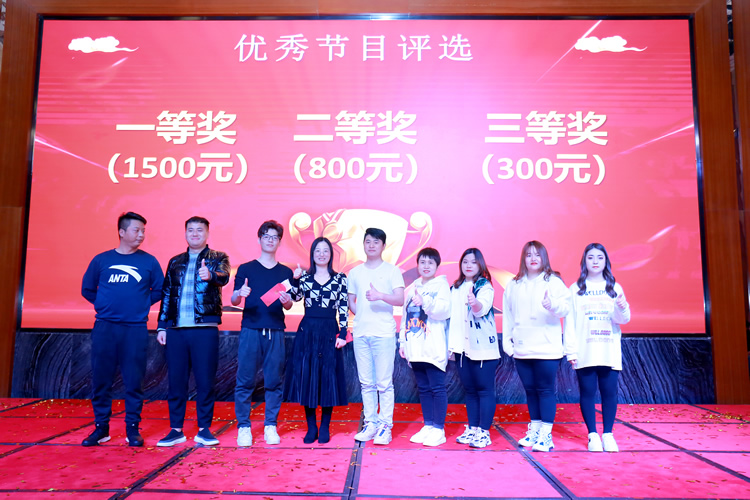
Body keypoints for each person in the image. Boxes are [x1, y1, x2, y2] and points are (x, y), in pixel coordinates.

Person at [80, 212, 164, 447]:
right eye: (137, 230)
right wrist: (104, 305)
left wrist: (141, 304)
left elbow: (160, 290)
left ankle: (132, 429)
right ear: (122, 232)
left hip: (134, 329)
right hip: (105, 328)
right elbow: (87, 289)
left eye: (143, 231)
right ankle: (101, 428)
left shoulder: (149, 262)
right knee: (101, 380)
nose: (141, 235)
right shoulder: (101, 260)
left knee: (134, 380)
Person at [156, 216, 230, 447]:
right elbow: (167, 294)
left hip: (204, 329)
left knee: (205, 381)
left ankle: (204, 429)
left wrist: (212, 276)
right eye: (191, 230)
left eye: (199, 230)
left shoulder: (218, 257)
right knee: (176, 381)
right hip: (176, 330)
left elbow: (225, 277)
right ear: (185, 233)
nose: (195, 234)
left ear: (207, 234)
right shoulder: (175, 261)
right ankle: (176, 430)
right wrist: (162, 325)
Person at [502, 240, 572, 452]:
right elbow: (508, 314)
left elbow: (567, 308)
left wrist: (553, 305)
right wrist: (507, 342)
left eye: (537, 254)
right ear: (523, 258)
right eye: (529, 254)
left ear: (544, 258)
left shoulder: (553, 281)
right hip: (522, 348)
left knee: (545, 390)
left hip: (547, 349)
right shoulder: (514, 284)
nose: (533, 258)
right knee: (530, 391)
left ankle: (545, 435)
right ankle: (535, 430)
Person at [232, 220, 294, 446]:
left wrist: (286, 301)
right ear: (259, 239)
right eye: (266, 236)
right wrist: (240, 293)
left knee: (274, 380)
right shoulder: (246, 269)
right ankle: (243, 427)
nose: (270, 240)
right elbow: (234, 300)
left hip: (275, 329)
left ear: (279, 242)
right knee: (245, 380)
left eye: (274, 237)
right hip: (251, 328)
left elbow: (289, 305)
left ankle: (270, 425)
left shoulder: (285, 272)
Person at [565, 243, 631, 452]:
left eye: (600, 257)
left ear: (606, 261)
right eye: (591, 257)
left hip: (608, 349)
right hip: (585, 349)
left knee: (609, 392)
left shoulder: (614, 288)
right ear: (584, 261)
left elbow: (623, 319)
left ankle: (608, 434)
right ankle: (592, 434)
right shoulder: (575, 289)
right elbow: (570, 322)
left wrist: (622, 307)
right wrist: (571, 350)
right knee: (587, 392)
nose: (595, 261)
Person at [284, 237, 349, 444]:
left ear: (331, 254)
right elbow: (295, 297)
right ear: (312, 254)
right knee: (308, 376)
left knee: (328, 377)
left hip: (330, 329)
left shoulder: (340, 278)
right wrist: (295, 280)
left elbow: (343, 307)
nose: (321, 254)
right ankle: (311, 427)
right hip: (308, 330)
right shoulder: (304, 277)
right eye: (317, 251)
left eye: (325, 250)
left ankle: (325, 426)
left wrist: (343, 333)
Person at [348, 228, 405, 445]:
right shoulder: (355, 273)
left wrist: (380, 295)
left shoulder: (392, 271)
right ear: (363, 244)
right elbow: (351, 301)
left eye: (376, 242)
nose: (371, 245)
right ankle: (370, 423)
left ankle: (385, 427)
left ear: (383, 246)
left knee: (384, 383)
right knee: (366, 383)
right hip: (361, 333)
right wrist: (362, 313)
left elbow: (400, 299)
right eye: (368, 241)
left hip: (383, 334)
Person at [447, 248, 499, 448]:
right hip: (461, 349)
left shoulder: (484, 286)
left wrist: (474, 303)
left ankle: (484, 432)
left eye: (473, 262)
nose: (468, 265)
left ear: (480, 265)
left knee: (484, 390)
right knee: (469, 391)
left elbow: (481, 309)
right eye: (465, 262)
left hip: (483, 348)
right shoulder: (455, 287)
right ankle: (473, 428)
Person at [398, 247, 451, 447]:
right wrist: (402, 341)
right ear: (417, 265)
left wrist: (425, 301)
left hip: (433, 345)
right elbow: (405, 317)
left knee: (437, 388)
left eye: (430, 262)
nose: (426, 266)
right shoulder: (412, 287)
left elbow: (444, 311)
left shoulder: (442, 286)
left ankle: (439, 429)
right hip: (415, 346)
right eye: (422, 262)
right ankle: (428, 425)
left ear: (437, 266)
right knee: (423, 388)